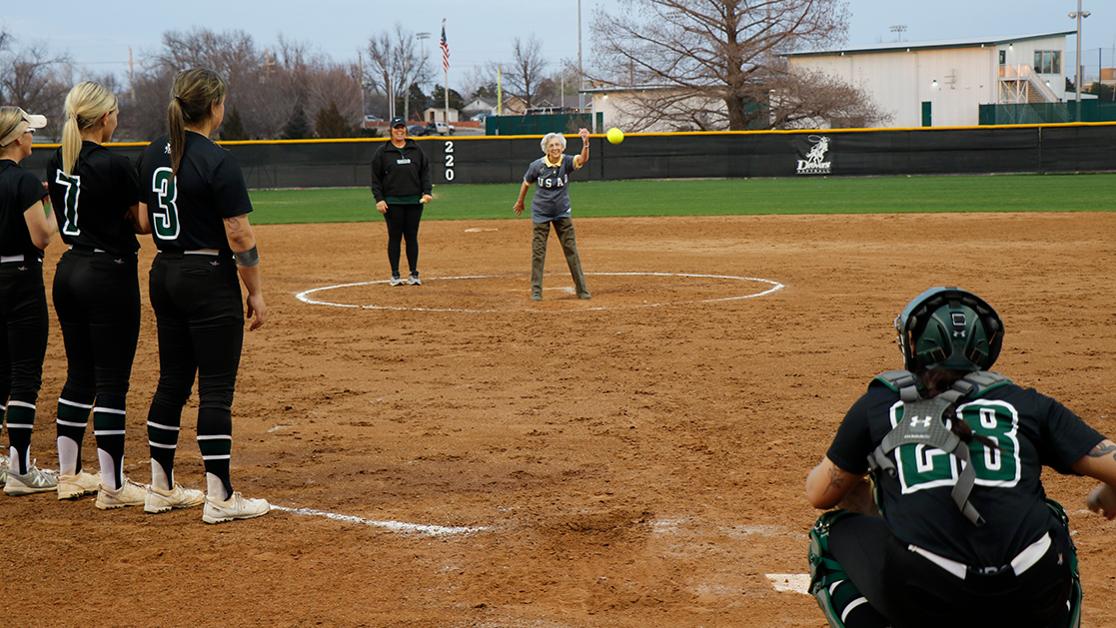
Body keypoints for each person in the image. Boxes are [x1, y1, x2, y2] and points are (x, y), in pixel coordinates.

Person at [804, 287, 1116, 627]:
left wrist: (869, 497)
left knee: (827, 535)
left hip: (927, 590)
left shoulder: (880, 403)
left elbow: (820, 493)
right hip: (1029, 591)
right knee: (1052, 522)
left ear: (914, 346)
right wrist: (1109, 492)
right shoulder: (1026, 403)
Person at [135, 68, 269, 523]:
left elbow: (142, 220)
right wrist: (255, 291)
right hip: (208, 276)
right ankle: (220, 497)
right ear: (214, 106)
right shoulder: (217, 159)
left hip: (164, 271)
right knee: (215, 389)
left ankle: (160, 488)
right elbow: (239, 234)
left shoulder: (154, 151)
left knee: (172, 380)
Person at [45, 82, 147, 505]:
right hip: (109, 272)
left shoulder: (57, 158)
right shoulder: (115, 164)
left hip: (69, 270)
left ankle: (68, 475)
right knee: (111, 382)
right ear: (105, 118)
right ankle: (113, 486)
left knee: (79, 375)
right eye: (116, 112)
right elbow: (142, 223)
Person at [0, 106, 58, 495]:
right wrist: (53, 206)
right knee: (24, 375)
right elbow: (42, 236)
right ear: (17, 138)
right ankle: (19, 468)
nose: (32, 137)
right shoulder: (23, 181)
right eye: (29, 131)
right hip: (20, 279)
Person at [513, 128, 591, 301]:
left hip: (562, 212)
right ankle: (536, 291)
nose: (555, 148)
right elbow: (526, 183)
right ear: (546, 149)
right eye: (551, 145)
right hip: (541, 213)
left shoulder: (567, 162)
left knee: (571, 250)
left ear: (562, 148)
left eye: (557, 145)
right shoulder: (537, 166)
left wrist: (585, 143)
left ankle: (582, 289)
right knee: (538, 252)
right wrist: (520, 201)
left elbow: (583, 159)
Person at [369, 116, 432, 286]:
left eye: (402, 127)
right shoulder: (382, 152)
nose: (399, 131)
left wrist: (427, 192)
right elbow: (376, 179)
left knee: (412, 236)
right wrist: (379, 199)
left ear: (405, 129)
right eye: (396, 128)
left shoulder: (416, 150)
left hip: (414, 201)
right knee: (395, 236)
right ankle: (395, 275)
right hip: (392, 202)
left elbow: (425, 173)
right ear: (391, 130)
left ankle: (413, 274)